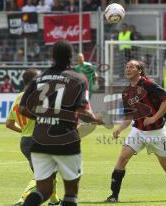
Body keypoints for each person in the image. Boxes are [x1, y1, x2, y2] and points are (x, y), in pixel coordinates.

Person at [19, 39, 103, 206]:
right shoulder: (79, 79)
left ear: (52, 56)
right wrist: (97, 120)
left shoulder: (40, 78)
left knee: (43, 190)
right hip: (66, 139)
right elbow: (83, 111)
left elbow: (22, 109)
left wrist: (42, 118)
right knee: (71, 192)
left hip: (39, 140)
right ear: (71, 56)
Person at [106, 60, 166, 202]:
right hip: (137, 131)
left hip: (157, 133)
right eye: (126, 67)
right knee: (123, 158)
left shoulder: (149, 84)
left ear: (140, 70)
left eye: (131, 67)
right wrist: (119, 129)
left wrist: (154, 118)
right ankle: (114, 196)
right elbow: (129, 116)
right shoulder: (126, 92)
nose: (128, 69)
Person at [6, 68, 60, 206]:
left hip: (25, 141)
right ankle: (22, 200)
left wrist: (24, 131)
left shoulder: (18, 98)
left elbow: (9, 124)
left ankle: (53, 200)